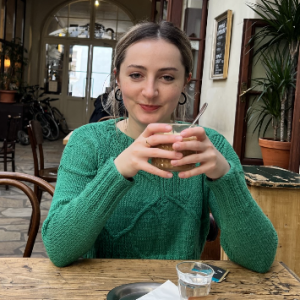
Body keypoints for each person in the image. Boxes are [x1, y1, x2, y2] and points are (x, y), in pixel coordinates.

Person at [42, 21, 278, 272]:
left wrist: (223, 177)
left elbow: (259, 258)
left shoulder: (208, 146)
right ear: (118, 79)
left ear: (185, 81)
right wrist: (118, 170)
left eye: (167, 77)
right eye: (136, 75)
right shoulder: (87, 142)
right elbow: (59, 249)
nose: (150, 91)